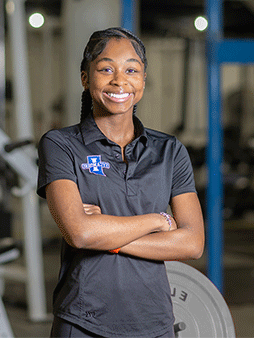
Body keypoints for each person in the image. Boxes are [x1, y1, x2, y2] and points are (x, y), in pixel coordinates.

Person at [37, 27, 205, 337]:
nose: (119, 80)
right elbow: (80, 233)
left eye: (131, 69)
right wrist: (158, 220)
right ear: (86, 78)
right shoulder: (60, 145)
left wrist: (109, 237)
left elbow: (192, 243)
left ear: (142, 80)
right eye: (105, 69)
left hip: (154, 322)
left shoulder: (169, 151)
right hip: (84, 321)